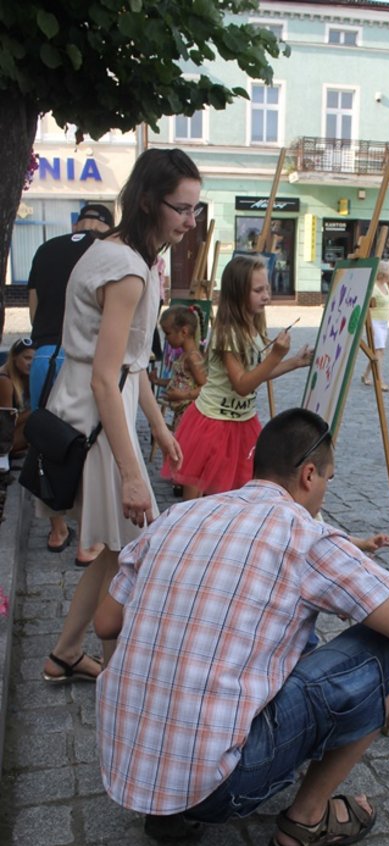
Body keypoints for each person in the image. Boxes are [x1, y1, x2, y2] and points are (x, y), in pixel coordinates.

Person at [94, 407, 389, 846]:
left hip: (124, 764)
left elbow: (105, 622)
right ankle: (308, 818)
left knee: (273, 636)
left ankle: (168, 810)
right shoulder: (305, 535)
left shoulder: (178, 516)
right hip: (220, 787)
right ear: (310, 476)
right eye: (329, 480)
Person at [41, 147, 198, 684]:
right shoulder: (128, 268)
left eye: (195, 209)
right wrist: (134, 474)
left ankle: (65, 654)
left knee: (114, 551)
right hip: (95, 420)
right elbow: (106, 377)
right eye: (182, 209)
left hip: (105, 411)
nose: (190, 221)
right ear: (151, 202)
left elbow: (130, 365)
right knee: (133, 549)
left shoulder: (125, 253)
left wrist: (156, 425)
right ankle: (119, 673)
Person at [162, 254, 311, 501]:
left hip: (242, 421)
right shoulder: (228, 333)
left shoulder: (252, 327)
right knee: (198, 486)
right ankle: (193, 529)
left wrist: (294, 362)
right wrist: (275, 355)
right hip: (214, 421)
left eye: (267, 287)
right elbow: (243, 385)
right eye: (258, 290)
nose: (266, 295)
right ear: (238, 293)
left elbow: (256, 374)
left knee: (236, 491)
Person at [27, 203, 114, 562]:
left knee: (46, 443)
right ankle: (88, 540)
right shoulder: (107, 250)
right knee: (89, 446)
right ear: (107, 225)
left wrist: (46, 338)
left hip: (45, 355)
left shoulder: (46, 248)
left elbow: (33, 306)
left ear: (76, 222)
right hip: (84, 360)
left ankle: (57, 530)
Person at [156, 304, 207, 429]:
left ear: (184, 332)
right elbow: (179, 381)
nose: (166, 339)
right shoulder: (183, 356)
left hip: (190, 416)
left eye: (168, 333)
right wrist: (157, 381)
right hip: (181, 414)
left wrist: (183, 396)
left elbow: (206, 386)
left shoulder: (193, 358)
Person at [361, 259, 389, 392]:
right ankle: (379, 381)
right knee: (380, 351)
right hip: (374, 323)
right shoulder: (373, 288)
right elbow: (365, 306)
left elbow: (387, 306)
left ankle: (366, 375)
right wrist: (368, 326)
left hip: (384, 323)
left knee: (375, 352)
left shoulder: (386, 286)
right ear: (382, 274)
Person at [0, 337, 34, 457]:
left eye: (34, 359)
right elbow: (7, 424)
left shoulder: (24, 376)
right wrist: (34, 410)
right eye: (27, 358)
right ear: (14, 357)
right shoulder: (5, 380)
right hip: (4, 440)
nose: (30, 363)